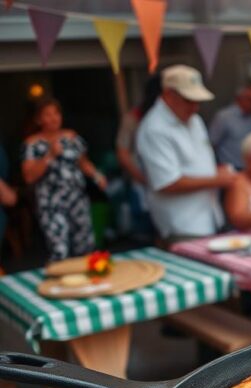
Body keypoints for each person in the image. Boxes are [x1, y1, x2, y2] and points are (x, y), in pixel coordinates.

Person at [137, 65, 236, 242]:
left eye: (197, 101)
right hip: (183, 225)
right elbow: (167, 182)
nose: (195, 107)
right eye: (189, 100)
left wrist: (217, 172)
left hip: (209, 216)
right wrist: (216, 179)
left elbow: (197, 163)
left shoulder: (194, 120)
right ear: (168, 95)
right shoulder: (154, 128)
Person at [21, 98, 105, 261]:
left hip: (76, 198)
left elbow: (83, 162)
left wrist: (97, 176)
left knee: (85, 245)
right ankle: (61, 284)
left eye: (56, 113)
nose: (53, 118)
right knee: (60, 248)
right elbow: (28, 176)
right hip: (51, 202)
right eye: (48, 114)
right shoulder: (31, 144)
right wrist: (49, 155)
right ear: (39, 119)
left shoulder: (71, 137)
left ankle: (87, 283)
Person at [116, 74, 162, 236]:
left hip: (164, 180)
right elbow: (122, 152)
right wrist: (141, 177)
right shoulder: (133, 118)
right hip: (141, 181)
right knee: (146, 229)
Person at [209, 83, 251, 170]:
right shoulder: (224, 117)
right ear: (239, 99)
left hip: (249, 169)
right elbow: (212, 144)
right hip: (229, 169)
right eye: (250, 99)